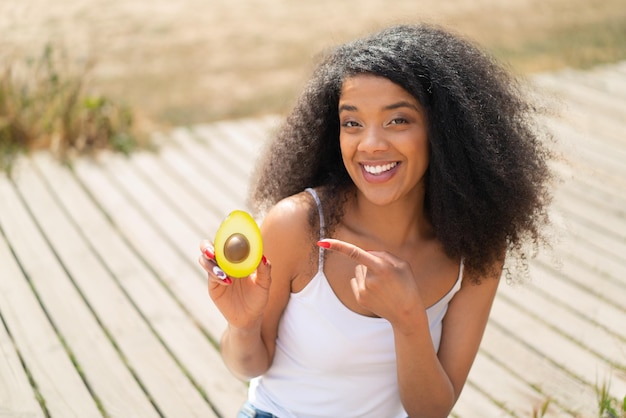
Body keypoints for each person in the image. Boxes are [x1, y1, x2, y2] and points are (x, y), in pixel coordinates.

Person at [198, 23, 552, 418]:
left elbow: (432, 410)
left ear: (445, 132)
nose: (370, 144)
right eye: (352, 123)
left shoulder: (476, 245)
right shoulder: (297, 226)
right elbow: (249, 366)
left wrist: (408, 320)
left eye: (397, 120)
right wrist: (243, 325)